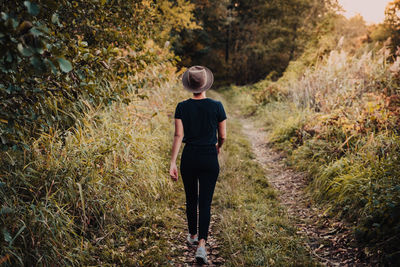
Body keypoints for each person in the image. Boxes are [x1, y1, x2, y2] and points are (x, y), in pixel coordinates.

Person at [169, 66, 227, 264]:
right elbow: (223, 136)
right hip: (209, 156)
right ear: (205, 85)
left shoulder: (182, 107)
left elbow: (178, 135)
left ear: (189, 86)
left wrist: (172, 162)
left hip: (189, 157)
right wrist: (218, 147)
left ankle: (192, 235)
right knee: (205, 202)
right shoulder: (217, 106)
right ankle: (202, 245)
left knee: (191, 198)